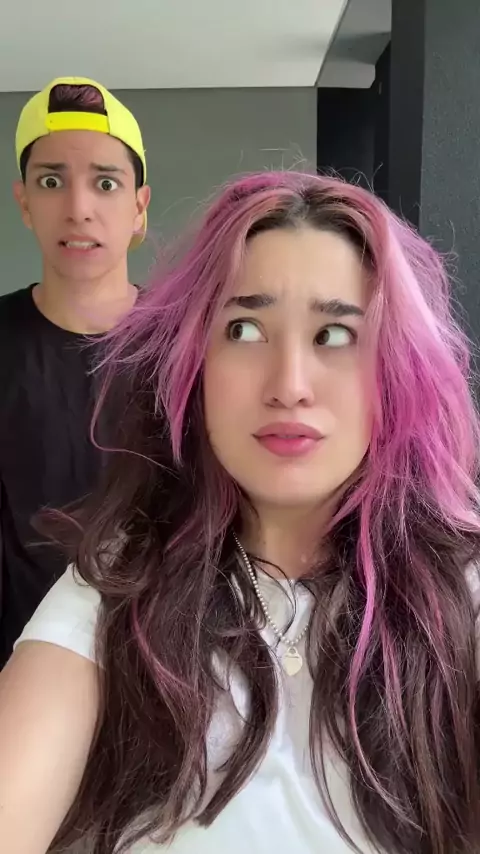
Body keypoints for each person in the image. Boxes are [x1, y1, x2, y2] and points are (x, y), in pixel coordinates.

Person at [1, 170, 479, 854]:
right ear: (194, 365)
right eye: (246, 329)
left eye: (335, 335)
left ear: (396, 370)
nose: (289, 385)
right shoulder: (119, 580)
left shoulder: (461, 585)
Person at [0, 77, 150, 667]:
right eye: (51, 181)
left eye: (105, 183)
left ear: (138, 206)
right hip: (18, 667)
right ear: (24, 203)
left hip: (163, 666)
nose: (78, 208)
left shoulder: (190, 344)